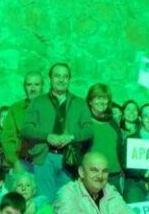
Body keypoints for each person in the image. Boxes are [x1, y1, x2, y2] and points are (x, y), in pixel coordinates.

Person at [21, 62, 94, 201]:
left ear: (69, 79)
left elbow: (89, 130)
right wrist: (47, 136)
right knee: (44, 200)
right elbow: (26, 129)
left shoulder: (79, 103)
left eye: (65, 76)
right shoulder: (37, 101)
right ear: (50, 79)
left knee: (66, 202)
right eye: (57, 76)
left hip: (69, 158)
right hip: (44, 157)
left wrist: (72, 137)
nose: (61, 80)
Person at [0, 71, 44, 169]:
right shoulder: (15, 109)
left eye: (37, 85)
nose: (33, 88)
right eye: (29, 85)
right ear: (24, 87)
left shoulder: (51, 107)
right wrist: (15, 162)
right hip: (23, 161)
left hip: (47, 162)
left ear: (42, 87)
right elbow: (7, 138)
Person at [86, 83, 125, 191]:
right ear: (90, 101)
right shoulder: (85, 121)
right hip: (93, 177)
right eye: (98, 98)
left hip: (114, 176)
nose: (102, 102)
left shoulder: (112, 121)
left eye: (105, 98)